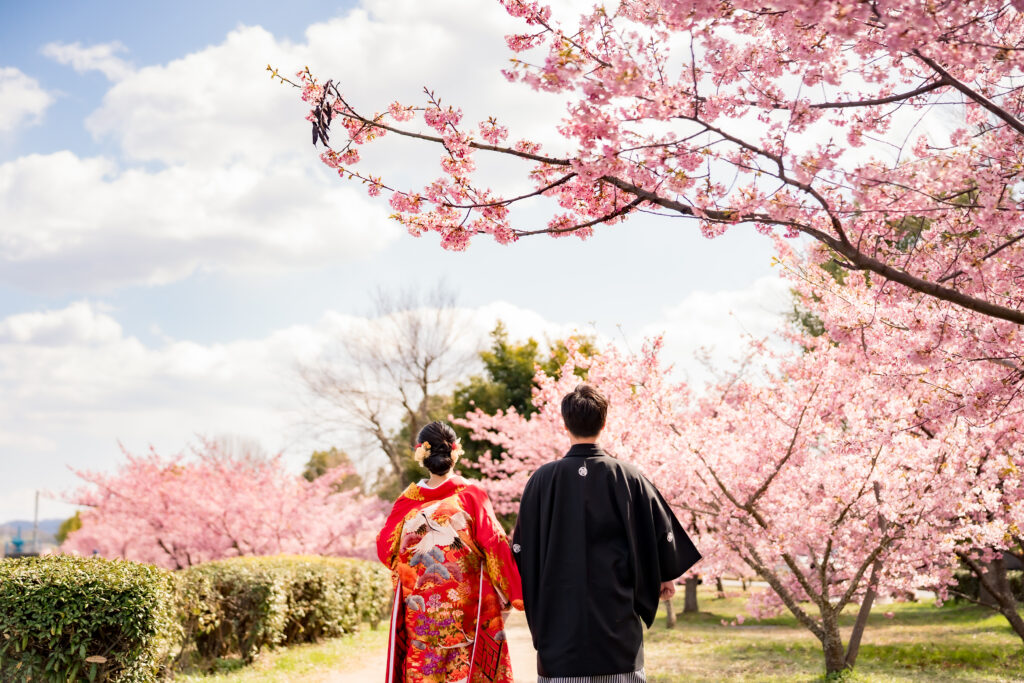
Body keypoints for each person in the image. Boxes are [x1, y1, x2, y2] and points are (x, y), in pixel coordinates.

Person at [512, 384, 701, 682]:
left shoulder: (541, 481)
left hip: (560, 631)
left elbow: (523, 549)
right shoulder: (629, 477)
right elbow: (659, 531)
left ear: (565, 425)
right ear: (604, 423)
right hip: (617, 627)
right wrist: (663, 575)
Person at [377, 421, 524, 683]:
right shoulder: (471, 495)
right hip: (466, 613)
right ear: (455, 453)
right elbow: (496, 545)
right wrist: (512, 594)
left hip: (421, 617)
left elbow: (385, 549)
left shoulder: (407, 502)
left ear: (421, 455)